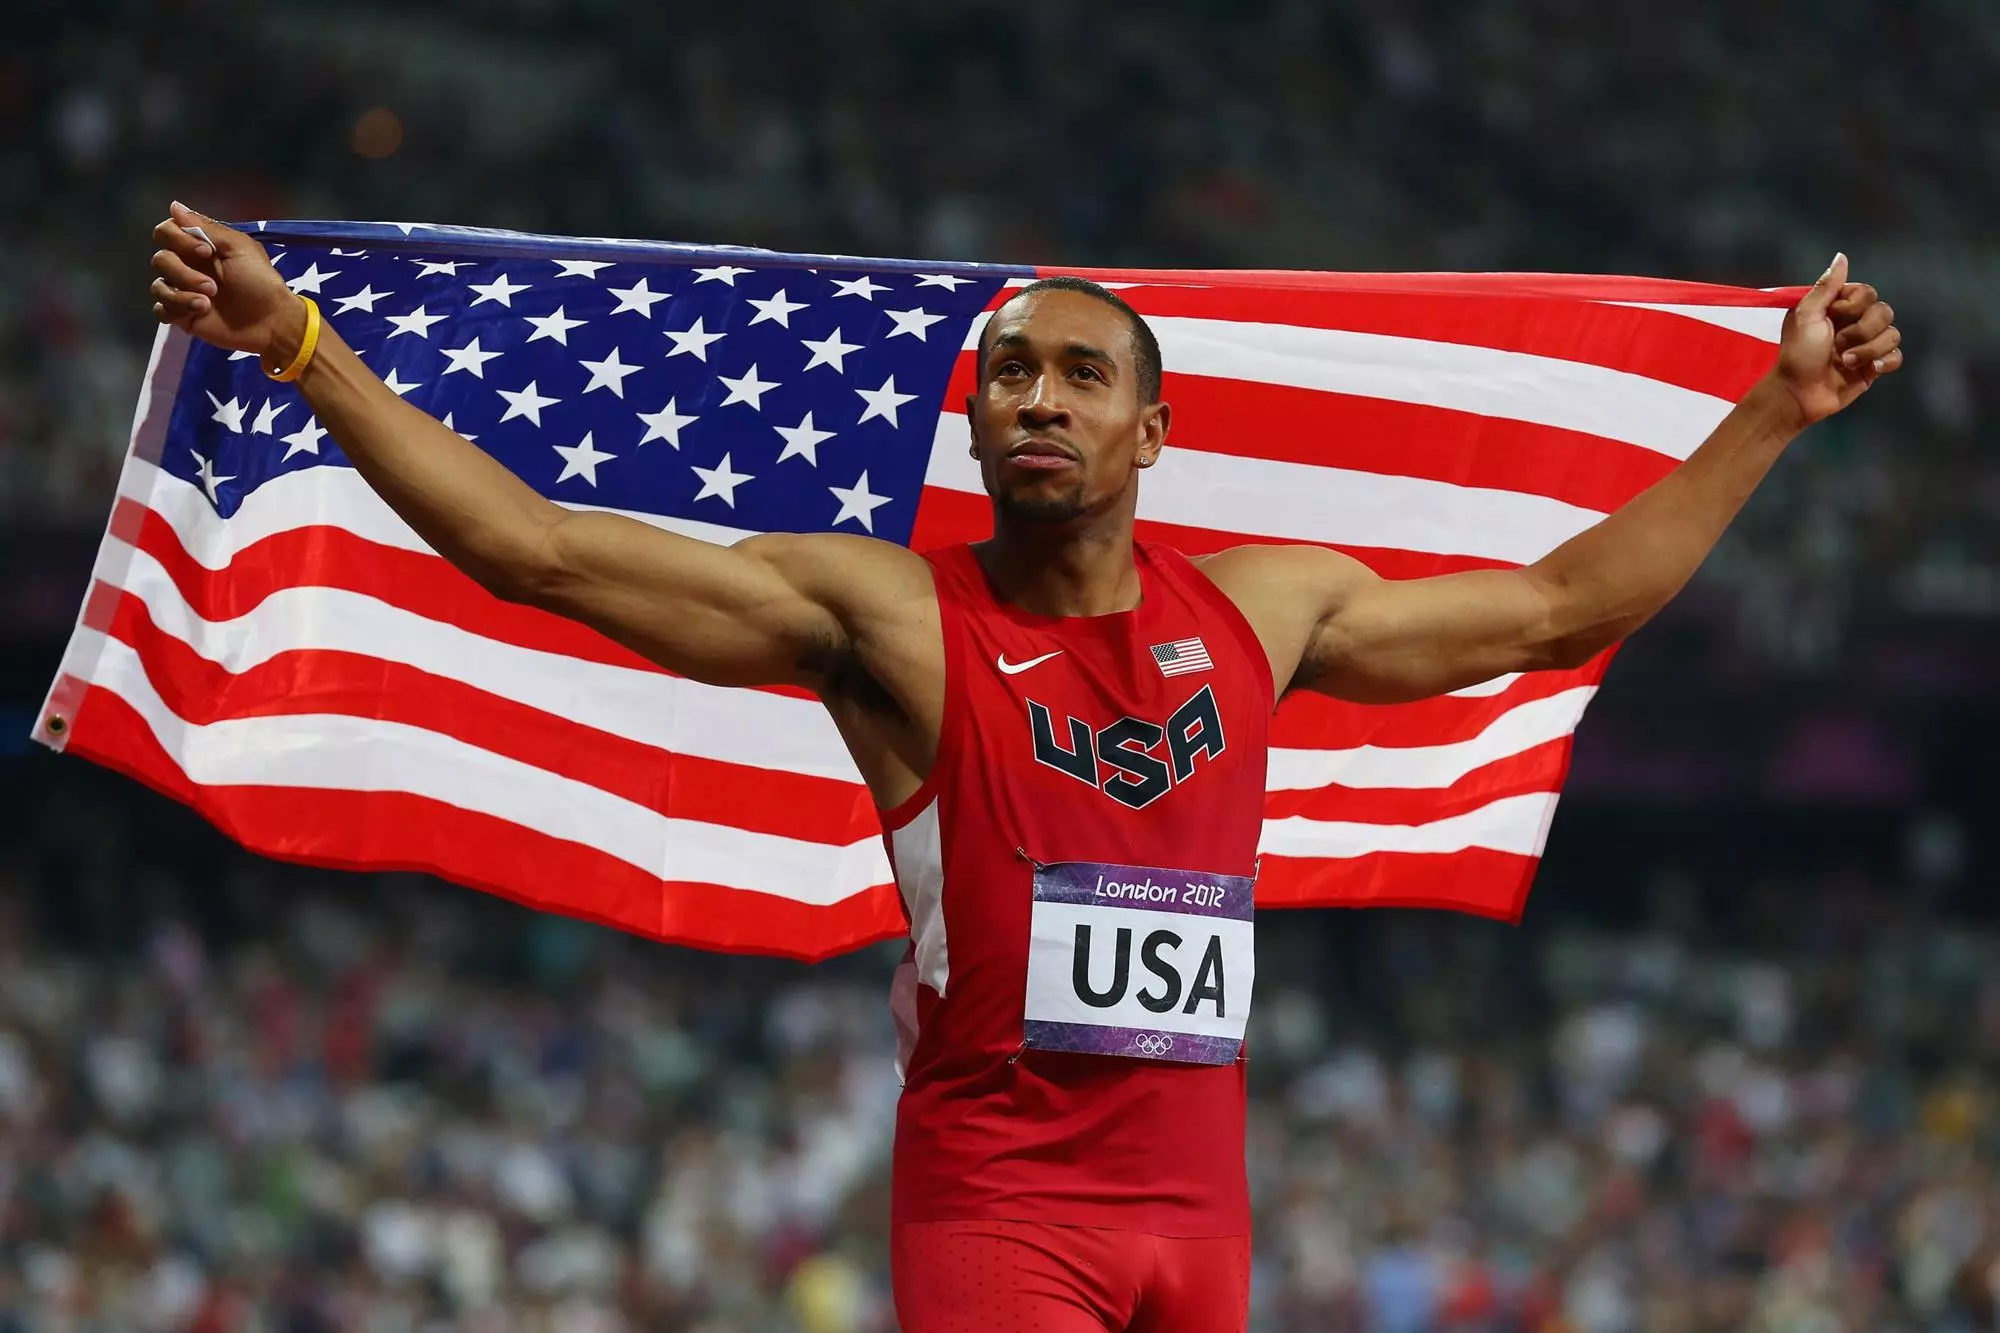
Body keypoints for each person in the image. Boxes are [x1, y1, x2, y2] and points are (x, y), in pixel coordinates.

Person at [147, 202, 1902, 1332]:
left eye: (1079, 374)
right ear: (974, 422)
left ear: (1153, 430)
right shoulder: (892, 620)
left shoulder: (1267, 615)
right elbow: (538, 551)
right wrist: (301, 346)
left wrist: (1775, 408)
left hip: (1203, 1227)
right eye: (1007, 375)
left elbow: (1560, 608)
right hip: (1005, 1212)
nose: (1034, 397)